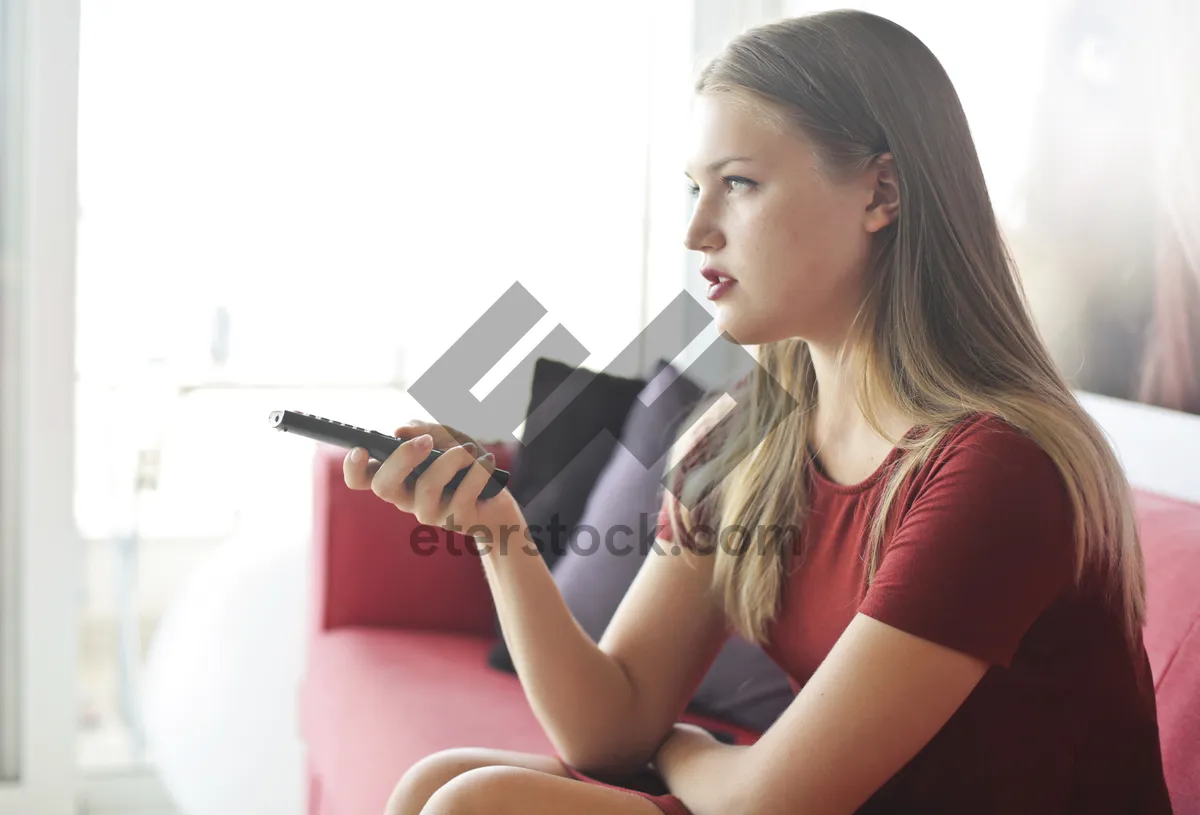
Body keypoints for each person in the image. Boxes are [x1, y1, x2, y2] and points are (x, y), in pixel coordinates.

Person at [344, 10, 1174, 815]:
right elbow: (610, 724)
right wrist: (499, 529)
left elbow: (770, 801)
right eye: (694, 190)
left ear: (881, 191)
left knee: (473, 805)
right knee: (436, 782)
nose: (698, 231)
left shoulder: (994, 466)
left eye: (738, 184)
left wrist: (681, 745)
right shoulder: (749, 436)